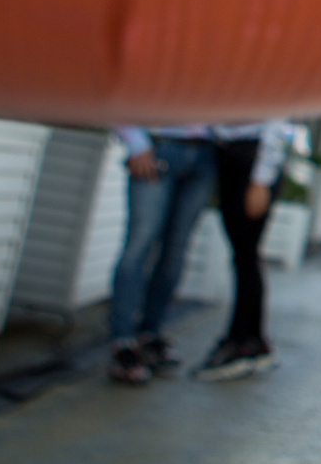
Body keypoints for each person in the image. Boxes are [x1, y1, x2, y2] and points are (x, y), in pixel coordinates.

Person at [107, 122, 293, 385]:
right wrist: (136, 142)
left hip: (208, 155)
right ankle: (124, 343)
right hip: (163, 145)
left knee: (181, 249)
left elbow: (278, 121)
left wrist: (260, 178)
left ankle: (154, 335)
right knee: (140, 244)